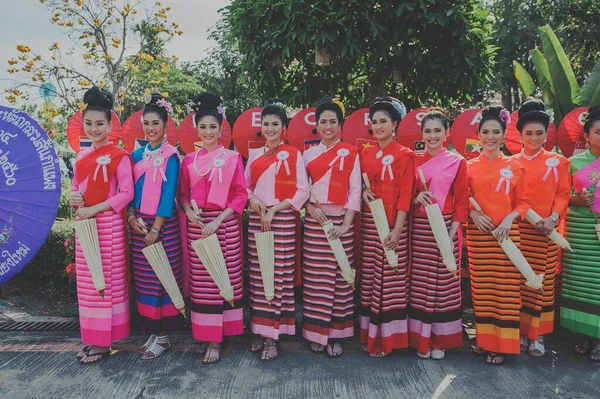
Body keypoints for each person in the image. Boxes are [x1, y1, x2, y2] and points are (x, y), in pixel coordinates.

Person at [179, 92, 247, 364]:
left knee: (223, 279)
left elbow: (241, 195)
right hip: (198, 225)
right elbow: (183, 196)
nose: (208, 132)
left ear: (221, 129)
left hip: (225, 224)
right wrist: (189, 213)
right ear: (197, 128)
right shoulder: (188, 160)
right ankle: (208, 334)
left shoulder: (232, 157)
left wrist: (219, 220)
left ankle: (219, 339)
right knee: (203, 284)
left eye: (213, 127)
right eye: (203, 127)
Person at [70, 86, 134, 364]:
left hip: (107, 226)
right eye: (89, 123)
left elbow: (126, 193)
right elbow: (76, 190)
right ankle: (93, 338)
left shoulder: (119, 155)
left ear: (110, 125)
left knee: (106, 283)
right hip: (85, 224)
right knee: (87, 284)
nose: (93, 128)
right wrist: (75, 198)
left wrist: (94, 208)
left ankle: (104, 343)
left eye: (99, 124)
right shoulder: (81, 157)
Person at [245, 99, 310, 361]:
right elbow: (246, 186)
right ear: (262, 127)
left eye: (275, 124)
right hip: (258, 220)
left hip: (282, 219)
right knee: (260, 276)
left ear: (283, 128)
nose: (270, 128)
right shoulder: (254, 155)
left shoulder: (294, 154)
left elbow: (302, 191)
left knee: (279, 275)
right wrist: (255, 201)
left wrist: (275, 209)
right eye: (266, 124)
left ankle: (274, 336)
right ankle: (260, 331)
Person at [467, 106, 532, 366]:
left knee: (504, 291)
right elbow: (462, 200)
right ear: (478, 135)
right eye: (485, 132)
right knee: (482, 292)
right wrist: (472, 215)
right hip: (479, 237)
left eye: (496, 132)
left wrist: (509, 217)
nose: (490, 137)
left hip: (506, 237)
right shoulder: (468, 166)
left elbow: (524, 202)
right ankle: (485, 342)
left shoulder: (515, 165)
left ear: (504, 135)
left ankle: (503, 345)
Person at [302, 97, 361, 358]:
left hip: (341, 224)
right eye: (323, 121)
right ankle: (317, 333)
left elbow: (356, 189)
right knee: (316, 280)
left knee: (339, 278)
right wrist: (310, 208)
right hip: (316, 223)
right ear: (316, 125)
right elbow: (301, 189)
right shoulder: (308, 154)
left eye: (332, 122)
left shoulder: (351, 152)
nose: (328, 126)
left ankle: (336, 334)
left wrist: (346, 225)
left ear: (340, 125)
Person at [408, 108, 468, 360]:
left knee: (443, 286)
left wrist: (452, 232)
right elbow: (404, 196)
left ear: (447, 133)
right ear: (421, 133)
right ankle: (420, 340)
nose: (432, 136)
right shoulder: (413, 160)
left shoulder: (457, 161)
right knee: (420, 284)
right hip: (420, 228)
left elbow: (463, 201)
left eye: (437, 131)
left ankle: (440, 341)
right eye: (428, 131)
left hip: (446, 227)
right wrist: (415, 198)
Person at [512, 100, 570, 357]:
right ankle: (521, 333)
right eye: (529, 133)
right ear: (520, 135)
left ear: (547, 134)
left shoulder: (559, 162)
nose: (534, 138)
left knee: (542, 284)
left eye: (539, 133)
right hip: (519, 230)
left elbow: (563, 193)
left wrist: (554, 218)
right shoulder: (510, 163)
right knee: (520, 282)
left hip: (545, 230)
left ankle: (538, 336)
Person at [128, 93, 183, 359]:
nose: (151, 128)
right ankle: (153, 332)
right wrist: (131, 217)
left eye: (156, 123)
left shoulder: (172, 155)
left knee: (163, 277)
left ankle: (163, 336)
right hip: (139, 225)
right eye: (147, 123)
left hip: (163, 227)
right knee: (146, 281)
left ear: (165, 126)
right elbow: (127, 190)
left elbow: (169, 190)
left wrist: (156, 229)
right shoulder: (136, 154)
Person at [360, 96, 414, 357]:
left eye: (384, 121)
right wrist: (363, 194)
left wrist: (397, 230)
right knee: (371, 278)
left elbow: (406, 195)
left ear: (395, 124)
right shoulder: (366, 153)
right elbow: (362, 186)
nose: (378, 126)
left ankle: (388, 340)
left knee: (391, 280)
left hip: (395, 225)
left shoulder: (405, 155)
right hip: (370, 223)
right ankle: (368, 336)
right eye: (375, 122)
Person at [561, 106, 600, 362]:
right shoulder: (572, 163)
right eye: (598, 132)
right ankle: (586, 334)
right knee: (583, 285)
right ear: (586, 135)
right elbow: (561, 197)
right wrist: (578, 199)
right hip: (580, 232)